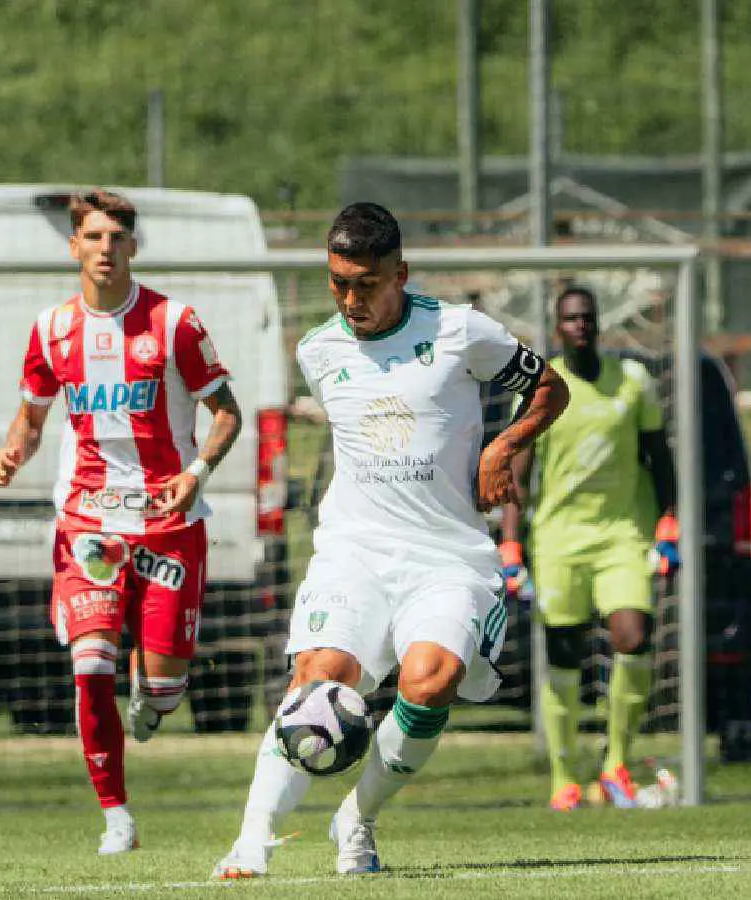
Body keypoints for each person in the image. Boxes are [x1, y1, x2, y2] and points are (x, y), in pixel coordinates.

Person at [214, 202, 569, 878]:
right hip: (354, 553)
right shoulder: (318, 351)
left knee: (429, 681)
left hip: (447, 558)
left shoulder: (462, 331)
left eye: (367, 283)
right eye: (339, 283)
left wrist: (503, 445)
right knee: (318, 681)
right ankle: (252, 840)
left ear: (400, 273)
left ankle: (358, 817)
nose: (352, 299)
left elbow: (549, 387)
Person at [0, 189, 243, 855]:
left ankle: (153, 693)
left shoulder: (174, 322)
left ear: (134, 247)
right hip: (89, 523)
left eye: (117, 238)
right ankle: (117, 817)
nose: (105, 249)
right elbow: (33, 415)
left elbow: (227, 413)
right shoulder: (52, 330)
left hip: (167, 521)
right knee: (90, 663)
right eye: (93, 237)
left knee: (162, 691)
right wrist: (16, 448)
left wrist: (196, 475)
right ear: (74, 246)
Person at [499, 286, 677, 811]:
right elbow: (517, 472)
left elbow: (659, 457)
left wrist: (669, 520)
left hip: (623, 533)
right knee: (564, 652)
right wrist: (511, 543)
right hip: (558, 539)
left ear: (599, 325)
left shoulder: (633, 382)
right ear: (558, 328)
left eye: (587, 318)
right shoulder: (541, 386)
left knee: (633, 635)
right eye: (570, 318)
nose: (579, 325)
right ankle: (564, 776)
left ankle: (617, 763)